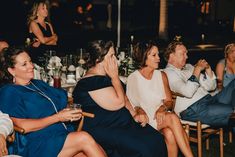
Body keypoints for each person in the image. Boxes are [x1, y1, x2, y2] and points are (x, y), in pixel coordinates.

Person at [0, 47, 107, 157]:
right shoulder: (9, 92)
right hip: (36, 142)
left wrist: (68, 112)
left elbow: (57, 103)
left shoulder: (37, 83)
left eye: (30, 61)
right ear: (11, 70)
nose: (31, 66)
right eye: (24, 64)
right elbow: (23, 126)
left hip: (60, 133)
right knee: (84, 138)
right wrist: (58, 117)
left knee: (95, 149)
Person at [73, 40, 167, 157]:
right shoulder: (90, 82)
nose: (115, 59)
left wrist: (134, 114)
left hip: (123, 123)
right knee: (143, 147)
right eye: (111, 56)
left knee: (156, 138)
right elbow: (119, 102)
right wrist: (115, 77)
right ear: (98, 59)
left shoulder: (107, 77)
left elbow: (126, 99)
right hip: (104, 127)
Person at [126, 41, 193, 157]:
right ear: (144, 57)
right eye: (154, 55)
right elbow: (132, 105)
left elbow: (169, 101)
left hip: (160, 117)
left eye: (158, 54)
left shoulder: (161, 75)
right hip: (145, 121)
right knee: (172, 118)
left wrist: (162, 108)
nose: (158, 58)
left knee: (169, 133)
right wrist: (140, 110)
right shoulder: (134, 78)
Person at [163, 41, 235, 128]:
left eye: (186, 53)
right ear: (171, 56)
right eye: (183, 54)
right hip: (193, 109)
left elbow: (211, 87)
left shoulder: (189, 67)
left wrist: (208, 69)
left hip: (210, 99)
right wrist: (197, 69)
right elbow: (188, 92)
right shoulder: (168, 73)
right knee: (231, 110)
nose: (187, 56)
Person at [27, 0, 58, 66]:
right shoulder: (33, 23)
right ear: (37, 11)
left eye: (46, 8)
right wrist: (52, 37)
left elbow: (55, 42)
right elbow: (44, 40)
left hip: (50, 56)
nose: (46, 10)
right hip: (38, 57)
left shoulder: (48, 24)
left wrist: (41, 42)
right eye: (43, 8)